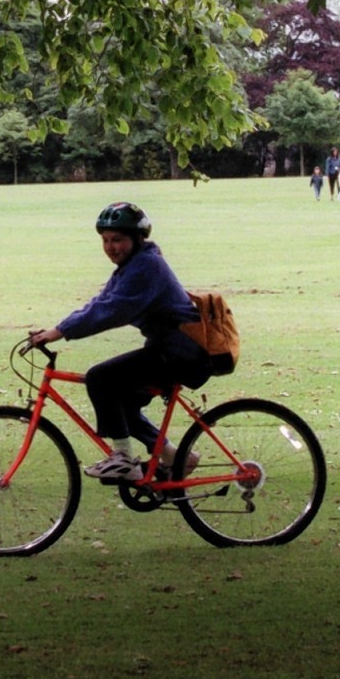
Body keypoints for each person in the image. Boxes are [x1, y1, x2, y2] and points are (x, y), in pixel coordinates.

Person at [28, 202, 212, 483]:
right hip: (169, 349)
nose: (111, 247)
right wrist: (57, 328)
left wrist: (60, 332)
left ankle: (123, 459)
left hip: (180, 352)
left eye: (118, 240)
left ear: (137, 239)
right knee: (121, 403)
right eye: (105, 240)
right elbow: (100, 302)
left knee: (100, 378)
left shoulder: (146, 266)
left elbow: (111, 310)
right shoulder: (132, 266)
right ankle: (176, 457)